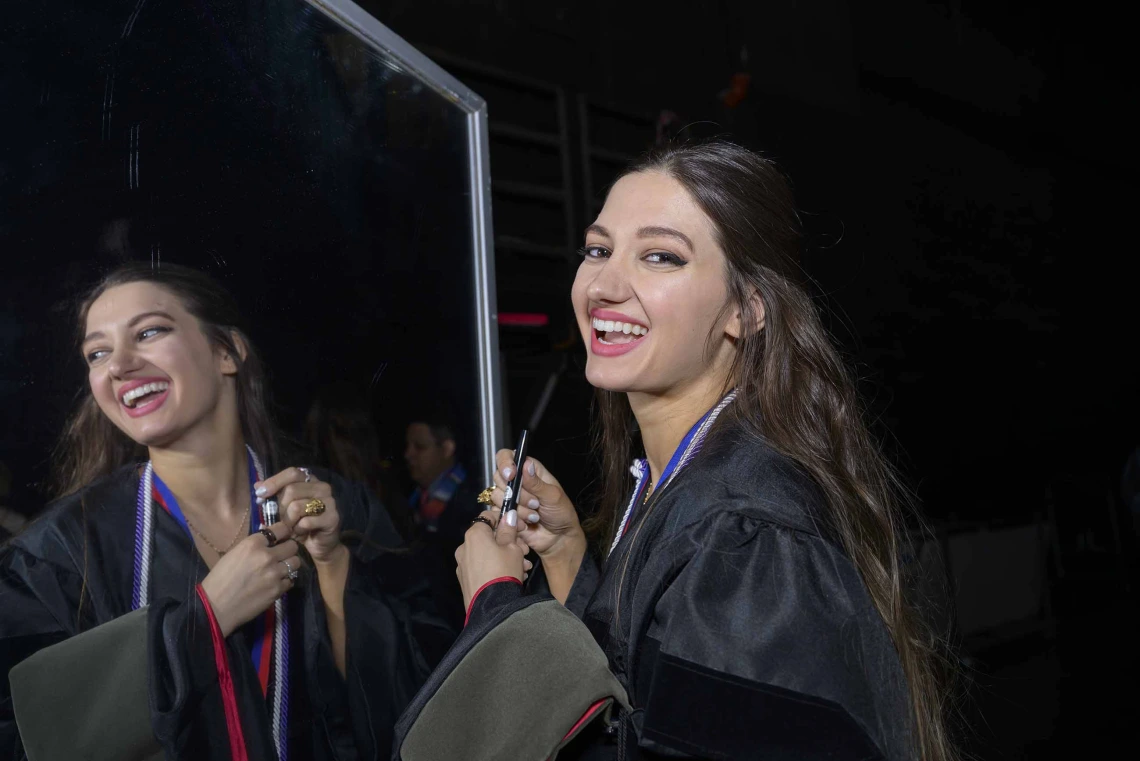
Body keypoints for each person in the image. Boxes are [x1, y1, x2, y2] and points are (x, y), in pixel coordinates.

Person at [422, 141, 957, 760]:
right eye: (598, 249)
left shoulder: (746, 539)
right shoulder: (682, 480)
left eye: (660, 256)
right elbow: (642, 696)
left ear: (746, 310)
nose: (603, 284)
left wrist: (496, 609)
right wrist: (570, 559)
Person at [0, 263, 449, 760]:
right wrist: (204, 619)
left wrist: (334, 565)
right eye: (97, 353)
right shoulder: (61, 552)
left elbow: (423, 704)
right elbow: (27, 733)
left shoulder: (339, 509)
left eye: (149, 332)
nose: (118, 366)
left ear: (227, 351)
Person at [404, 415, 481, 629]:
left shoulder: (474, 502)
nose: (408, 454)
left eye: (419, 447)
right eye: (408, 446)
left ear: (447, 449)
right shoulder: (415, 499)